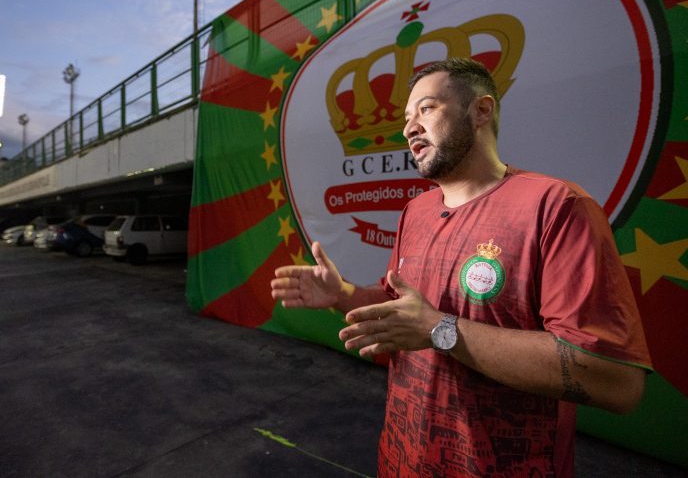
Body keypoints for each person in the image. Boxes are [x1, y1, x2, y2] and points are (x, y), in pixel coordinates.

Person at [270, 58, 651, 477]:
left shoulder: (556, 206)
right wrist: (344, 295)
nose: (409, 127)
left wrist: (439, 330)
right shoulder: (415, 211)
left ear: (481, 111)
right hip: (401, 462)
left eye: (427, 108)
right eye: (407, 117)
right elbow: (401, 305)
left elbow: (616, 382)